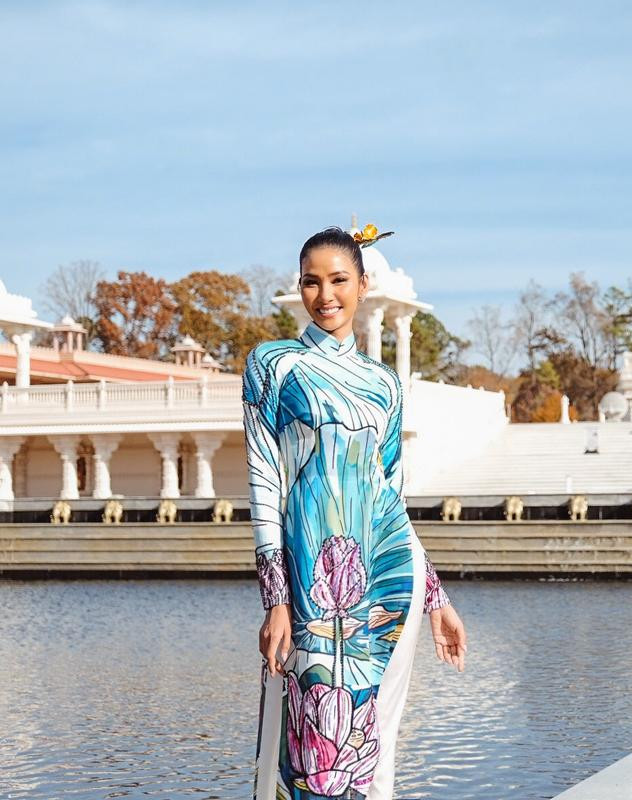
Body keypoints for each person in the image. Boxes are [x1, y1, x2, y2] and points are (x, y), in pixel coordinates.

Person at [244, 226, 467, 800]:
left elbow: (390, 494)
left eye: (339, 280)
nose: (325, 295)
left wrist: (436, 598)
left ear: (363, 285)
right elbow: (265, 480)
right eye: (311, 282)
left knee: (368, 743)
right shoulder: (274, 366)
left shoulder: (385, 384)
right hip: (312, 582)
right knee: (314, 744)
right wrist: (276, 598)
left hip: (385, 582)